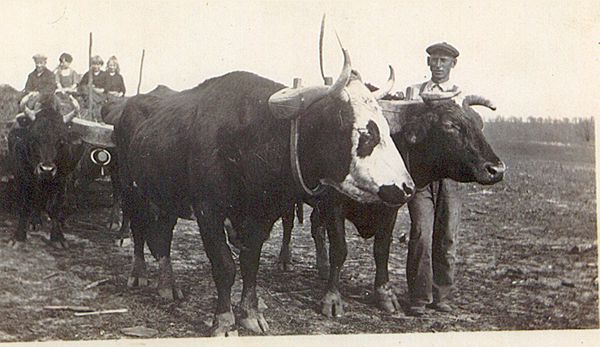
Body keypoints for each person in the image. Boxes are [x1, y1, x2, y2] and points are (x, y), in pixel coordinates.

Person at [404, 42, 463, 316]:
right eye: (434, 60)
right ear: (428, 64)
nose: (438, 64)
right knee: (421, 235)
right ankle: (419, 298)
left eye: (443, 60)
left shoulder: (460, 96)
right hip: (421, 178)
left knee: (447, 237)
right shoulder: (415, 92)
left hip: (450, 178)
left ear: (453, 64)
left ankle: (441, 296)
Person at [78, 55, 107, 121]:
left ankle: (97, 117)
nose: (96, 66)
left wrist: (94, 89)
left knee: (98, 103)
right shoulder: (88, 74)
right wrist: (89, 87)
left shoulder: (104, 75)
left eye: (98, 64)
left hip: (100, 95)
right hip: (88, 95)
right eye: (94, 64)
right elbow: (82, 85)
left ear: (101, 65)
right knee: (86, 92)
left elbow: (106, 88)